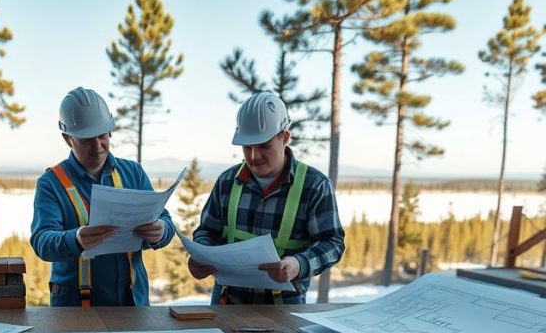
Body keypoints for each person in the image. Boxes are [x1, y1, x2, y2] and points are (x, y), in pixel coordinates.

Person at [189, 91, 344, 304]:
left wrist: (298, 265)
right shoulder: (227, 182)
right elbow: (207, 231)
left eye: (264, 146)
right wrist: (202, 257)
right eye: (247, 147)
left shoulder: (314, 186)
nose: (254, 156)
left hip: (285, 310)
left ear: (285, 138)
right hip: (227, 305)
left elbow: (332, 243)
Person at [30, 87, 175, 306]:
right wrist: (75, 240)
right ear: (68, 139)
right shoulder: (51, 183)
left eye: (102, 135)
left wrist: (161, 231)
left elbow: (165, 220)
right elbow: (42, 241)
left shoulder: (133, 173)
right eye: (86, 139)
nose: (98, 146)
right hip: (75, 308)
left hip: (133, 303)